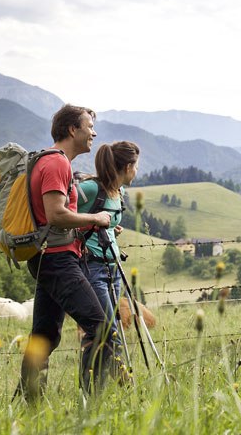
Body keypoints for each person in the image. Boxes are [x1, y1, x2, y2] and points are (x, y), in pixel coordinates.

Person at [17, 104, 114, 400]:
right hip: (58, 261)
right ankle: (92, 404)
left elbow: (53, 221)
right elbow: (56, 214)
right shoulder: (57, 163)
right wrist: (96, 218)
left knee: (44, 337)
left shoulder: (51, 162)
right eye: (89, 127)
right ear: (73, 129)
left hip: (48, 256)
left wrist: (85, 227)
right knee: (101, 330)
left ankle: (27, 404)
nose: (94, 133)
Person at [77, 141, 140, 360]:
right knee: (106, 330)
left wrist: (112, 228)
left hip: (113, 268)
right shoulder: (90, 189)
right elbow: (63, 217)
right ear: (128, 167)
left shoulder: (118, 192)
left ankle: (106, 386)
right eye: (136, 166)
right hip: (92, 268)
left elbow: (101, 222)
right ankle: (115, 384)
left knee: (112, 328)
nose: (137, 171)